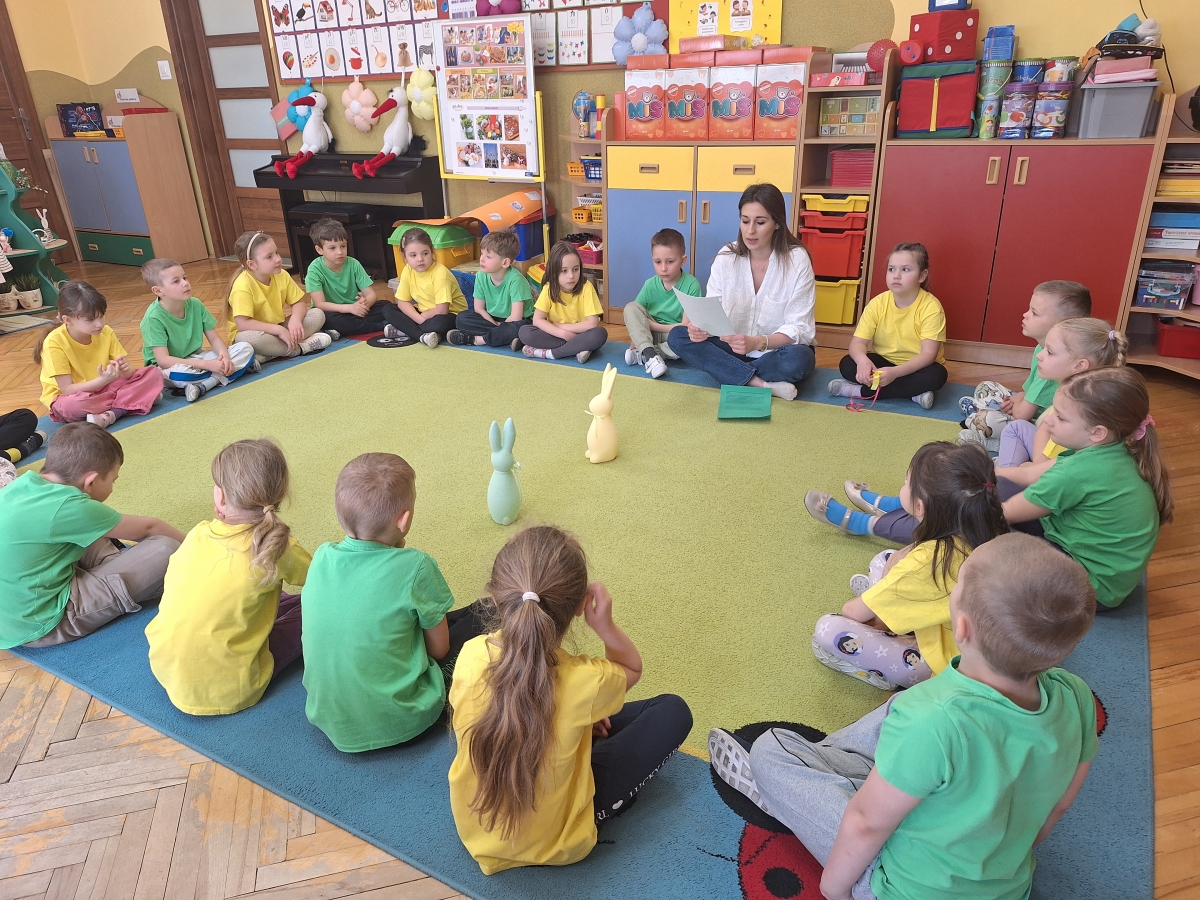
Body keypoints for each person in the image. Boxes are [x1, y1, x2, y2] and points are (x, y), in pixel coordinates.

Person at [709, 533, 1098, 900]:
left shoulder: (931, 718)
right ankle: (846, 777)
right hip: (1006, 887)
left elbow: (865, 824)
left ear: (961, 626)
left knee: (770, 750)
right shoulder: (1076, 696)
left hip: (895, 887)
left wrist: (836, 891)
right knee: (902, 709)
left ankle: (792, 794)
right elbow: (1058, 806)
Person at [449, 525, 692, 874]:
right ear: (580, 607)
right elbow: (630, 668)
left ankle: (579, 729)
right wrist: (605, 626)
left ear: (495, 595)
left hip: (475, 832)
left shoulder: (471, 655)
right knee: (672, 711)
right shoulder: (586, 682)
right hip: (560, 842)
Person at [831, 318, 1127, 546]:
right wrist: (994, 476)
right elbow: (1039, 440)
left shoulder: (1079, 462)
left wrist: (969, 495)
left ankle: (878, 521)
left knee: (964, 515)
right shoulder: (1087, 424)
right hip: (1053, 519)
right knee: (976, 489)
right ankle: (904, 505)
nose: (1040, 355)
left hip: (1063, 561)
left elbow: (1000, 511)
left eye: (1049, 351)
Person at [302, 452, 479, 752]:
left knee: (417, 617)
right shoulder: (416, 566)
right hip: (406, 720)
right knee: (483, 615)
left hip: (329, 717)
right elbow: (439, 650)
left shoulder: (321, 557)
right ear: (404, 520)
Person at [808, 442, 1008, 691]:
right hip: (972, 644)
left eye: (906, 483)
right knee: (885, 559)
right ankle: (885, 605)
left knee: (829, 629)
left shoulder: (927, 561)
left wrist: (873, 610)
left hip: (942, 666)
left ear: (920, 507)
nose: (903, 485)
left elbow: (851, 612)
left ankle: (884, 665)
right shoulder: (990, 531)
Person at [145, 439, 311, 715]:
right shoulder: (279, 549)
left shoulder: (198, 533)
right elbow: (322, 581)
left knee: (258, 595)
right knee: (314, 606)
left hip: (166, 669)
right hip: (234, 688)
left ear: (221, 497)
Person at [0, 423, 182, 648]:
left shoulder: (21, 486)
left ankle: (116, 568)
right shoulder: (70, 507)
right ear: (91, 481)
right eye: (113, 480)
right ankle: (123, 574)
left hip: (12, 618)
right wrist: (203, 543)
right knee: (166, 548)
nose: (113, 487)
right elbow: (150, 528)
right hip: (45, 624)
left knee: (95, 527)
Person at [1003, 367, 1172, 608]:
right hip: (1101, 575)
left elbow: (1005, 512)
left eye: (1060, 417)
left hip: (1089, 589)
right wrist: (983, 471)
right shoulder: (1115, 449)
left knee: (983, 527)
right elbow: (1028, 474)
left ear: (1097, 432)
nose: (1047, 420)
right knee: (998, 489)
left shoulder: (1078, 472)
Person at [666, 183, 816, 401]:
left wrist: (758, 342)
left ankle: (729, 372)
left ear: (777, 223)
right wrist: (699, 329)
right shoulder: (726, 257)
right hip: (730, 348)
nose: (750, 230)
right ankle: (759, 383)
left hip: (773, 352)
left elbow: (800, 329)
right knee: (678, 336)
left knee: (800, 358)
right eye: (745, 221)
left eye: (760, 222)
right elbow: (711, 311)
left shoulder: (797, 260)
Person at [959, 280, 1092, 447]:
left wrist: (1015, 405)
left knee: (988, 420)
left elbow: (1022, 414)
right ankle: (979, 415)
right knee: (985, 387)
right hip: (1031, 410)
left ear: (1062, 325)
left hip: (1043, 426)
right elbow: (1027, 392)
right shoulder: (1041, 350)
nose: (1025, 315)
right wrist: (1015, 400)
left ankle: (993, 438)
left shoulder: (1055, 368)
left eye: (1034, 313)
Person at [997, 318, 1126, 471]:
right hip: (1051, 460)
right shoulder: (1070, 391)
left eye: (1050, 352)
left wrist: (1032, 470)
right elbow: (1045, 429)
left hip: (1063, 471)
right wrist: (1037, 464)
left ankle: (1004, 476)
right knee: (1016, 427)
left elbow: (1062, 461)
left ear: (1079, 365)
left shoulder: (1077, 405)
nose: (1039, 355)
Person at [828, 243, 947, 409]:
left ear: (922, 276)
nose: (896, 276)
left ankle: (857, 391)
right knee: (847, 363)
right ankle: (913, 395)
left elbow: (928, 354)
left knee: (937, 376)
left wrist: (896, 373)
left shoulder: (931, 307)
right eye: (891, 269)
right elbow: (857, 343)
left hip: (916, 367)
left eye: (905, 270)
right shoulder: (877, 303)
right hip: (884, 363)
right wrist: (863, 361)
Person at [35, 281, 164, 429]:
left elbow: (127, 375)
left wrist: (127, 370)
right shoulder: (54, 342)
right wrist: (102, 381)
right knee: (71, 405)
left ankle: (111, 414)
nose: (99, 324)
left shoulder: (106, 332)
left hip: (104, 389)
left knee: (154, 373)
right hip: (74, 396)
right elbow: (67, 390)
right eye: (90, 319)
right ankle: (135, 401)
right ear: (67, 320)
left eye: (102, 316)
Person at [140, 258, 257, 403]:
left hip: (197, 357)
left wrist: (225, 357)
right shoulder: (153, 318)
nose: (185, 283)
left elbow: (214, 339)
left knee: (246, 348)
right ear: (158, 291)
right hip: (169, 367)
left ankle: (205, 385)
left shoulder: (195, 304)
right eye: (176, 281)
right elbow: (163, 360)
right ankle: (234, 371)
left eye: (185, 278)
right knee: (181, 375)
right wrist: (208, 365)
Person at [226, 231, 331, 363]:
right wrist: (277, 330)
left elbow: (299, 303)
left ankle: (269, 354)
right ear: (252, 264)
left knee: (318, 314)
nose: (278, 259)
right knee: (246, 339)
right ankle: (301, 348)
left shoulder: (281, 274)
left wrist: (295, 320)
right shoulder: (242, 286)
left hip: (279, 328)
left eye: (277, 253)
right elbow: (243, 324)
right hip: (255, 333)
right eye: (269, 257)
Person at [622, 228, 701, 379]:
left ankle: (645, 352)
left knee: (691, 337)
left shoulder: (692, 285)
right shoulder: (650, 284)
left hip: (674, 337)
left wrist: (648, 326)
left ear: (683, 260)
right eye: (657, 262)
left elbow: (685, 326)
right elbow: (635, 314)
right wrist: (637, 334)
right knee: (630, 307)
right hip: (650, 334)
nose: (663, 268)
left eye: (670, 262)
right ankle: (650, 355)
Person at [518, 241, 609, 364]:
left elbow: (592, 323)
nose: (571, 276)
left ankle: (550, 353)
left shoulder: (586, 287)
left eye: (575, 269)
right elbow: (537, 320)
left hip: (581, 334)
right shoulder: (549, 289)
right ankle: (577, 349)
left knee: (599, 334)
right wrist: (563, 333)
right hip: (556, 333)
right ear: (553, 271)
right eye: (564, 271)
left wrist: (563, 327)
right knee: (525, 332)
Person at [447, 229, 534, 350]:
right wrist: (497, 327)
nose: (481, 259)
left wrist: (503, 327)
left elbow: (516, 317)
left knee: (522, 328)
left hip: (517, 321)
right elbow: (479, 309)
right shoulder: (481, 275)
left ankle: (476, 340)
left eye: (488, 256)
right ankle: (504, 337)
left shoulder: (516, 280)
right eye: (481, 254)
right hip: (492, 319)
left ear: (505, 262)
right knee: (462, 318)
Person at [304, 218, 389, 338]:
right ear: (319, 250)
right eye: (332, 248)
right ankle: (381, 326)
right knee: (328, 319)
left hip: (354, 310)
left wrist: (365, 305)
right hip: (333, 313)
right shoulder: (314, 269)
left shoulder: (353, 263)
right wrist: (349, 308)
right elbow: (320, 304)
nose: (340, 252)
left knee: (386, 306)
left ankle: (342, 330)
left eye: (343, 246)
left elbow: (372, 295)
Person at [383, 227, 467, 347]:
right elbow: (402, 302)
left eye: (425, 253)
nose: (420, 259)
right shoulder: (408, 270)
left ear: (432, 252)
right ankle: (422, 335)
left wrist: (421, 318)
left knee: (439, 323)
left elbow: (442, 310)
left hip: (449, 315)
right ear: (404, 257)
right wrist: (420, 320)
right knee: (388, 309)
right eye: (413, 255)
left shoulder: (440, 273)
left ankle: (407, 330)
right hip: (424, 315)